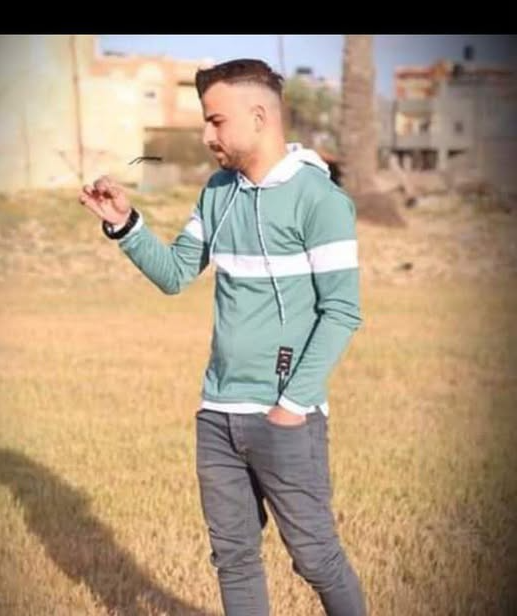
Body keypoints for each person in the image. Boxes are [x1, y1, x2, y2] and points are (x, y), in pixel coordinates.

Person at [78, 58, 366, 616]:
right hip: (217, 414)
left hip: (285, 417)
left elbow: (341, 312)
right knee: (233, 559)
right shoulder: (217, 192)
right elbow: (174, 274)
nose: (207, 135)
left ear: (259, 116)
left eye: (216, 121)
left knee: (315, 558)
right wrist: (125, 224)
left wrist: (290, 407)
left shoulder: (320, 199)